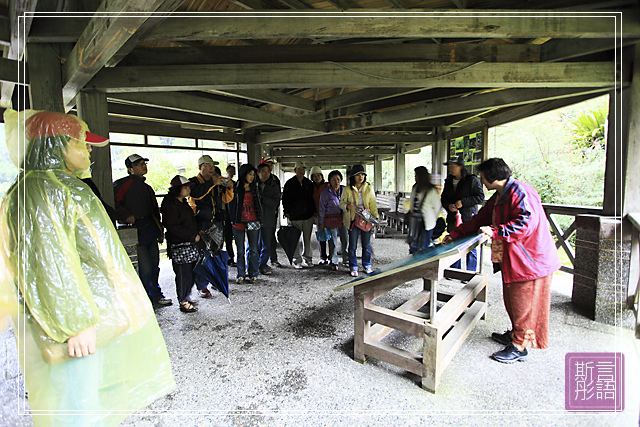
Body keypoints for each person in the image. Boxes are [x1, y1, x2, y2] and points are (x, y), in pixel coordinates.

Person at [0, 109, 174, 425]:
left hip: (86, 316)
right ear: (56, 145)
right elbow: (50, 263)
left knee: (86, 397)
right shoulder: (45, 189)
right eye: (81, 142)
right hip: (73, 325)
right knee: (75, 404)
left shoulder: (55, 185)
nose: (89, 149)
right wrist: (74, 324)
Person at [443, 158, 561, 364]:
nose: (481, 181)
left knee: (524, 302)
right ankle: (516, 333)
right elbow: (480, 220)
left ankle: (519, 346)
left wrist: (497, 231)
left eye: (482, 177)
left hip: (531, 260)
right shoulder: (499, 196)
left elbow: (526, 223)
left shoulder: (521, 192)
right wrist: (456, 234)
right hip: (515, 259)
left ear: (492, 178)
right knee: (512, 300)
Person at [114, 153, 171, 307]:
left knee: (154, 266)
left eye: (144, 163)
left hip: (150, 229)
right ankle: (143, 298)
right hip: (134, 231)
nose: (143, 166)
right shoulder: (121, 185)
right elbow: (113, 204)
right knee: (144, 269)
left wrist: (160, 230)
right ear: (130, 169)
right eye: (139, 164)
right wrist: (126, 216)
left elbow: (154, 211)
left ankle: (156, 295)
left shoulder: (147, 188)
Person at [189, 155, 233, 297]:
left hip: (217, 222)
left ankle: (216, 281)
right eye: (207, 166)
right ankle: (202, 286)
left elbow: (226, 199)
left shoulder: (216, 182)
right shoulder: (193, 183)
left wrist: (229, 187)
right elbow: (195, 195)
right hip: (201, 224)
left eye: (212, 166)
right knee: (203, 255)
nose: (211, 168)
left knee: (217, 252)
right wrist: (212, 183)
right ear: (200, 167)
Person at [161, 175, 202, 313]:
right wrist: (191, 235)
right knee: (183, 273)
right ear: (177, 189)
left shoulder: (183, 202)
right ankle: (183, 301)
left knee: (191, 272)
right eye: (185, 187)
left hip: (189, 243)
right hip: (179, 245)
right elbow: (172, 226)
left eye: (188, 187)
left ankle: (187, 296)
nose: (188, 190)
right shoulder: (169, 204)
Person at [440, 155, 484, 271]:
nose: (451, 169)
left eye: (453, 166)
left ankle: (470, 271)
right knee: (453, 242)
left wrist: (463, 202)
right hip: (453, 217)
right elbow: (444, 198)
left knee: (471, 244)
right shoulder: (449, 181)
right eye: (449, 166)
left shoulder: (471, 180)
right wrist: (448, 205)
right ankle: (455, 269)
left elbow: (480, 197)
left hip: (469, 217)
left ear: (460, 167)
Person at [340, 165, 379, 277]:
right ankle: (354, 267)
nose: (360, 177)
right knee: (352, 245)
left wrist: (375, 218)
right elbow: (341, 203)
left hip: (366, 220)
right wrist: (347, 206)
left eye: (362, 174)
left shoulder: (369, 188)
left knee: (366, 245)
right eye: (358, 175)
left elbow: (373, 204)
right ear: (353, 176)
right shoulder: (347, 189)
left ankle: (367, 265)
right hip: (353, 219)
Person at [229, 164, 262, 282]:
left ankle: (253, 273)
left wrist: (260, 218)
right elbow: (231, 205)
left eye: (253, 175)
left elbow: (258, 204)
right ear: (244, 174)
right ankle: (240, 274)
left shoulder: (255, 188)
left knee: (254, 249)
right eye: (250, 174)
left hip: (253, 220)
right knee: (240, 250)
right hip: (238, 222)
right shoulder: (235, 188)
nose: (252, 177)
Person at [281, 161, 316, 269]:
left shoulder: (309, 183)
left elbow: (312, 199)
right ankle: (297, 260)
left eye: (303, 169)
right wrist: (286, 212)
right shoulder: (289, 183)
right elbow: (285, 199)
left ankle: (308, 259)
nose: (301, 171)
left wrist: (314, 212)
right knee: (295, 239)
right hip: (294, 216)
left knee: (307, 239)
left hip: (308, 216)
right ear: (295, 171)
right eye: (299, 169)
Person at [318, 170, 349, 271]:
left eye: (338, 179)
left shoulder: (345, 189)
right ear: (329, 181)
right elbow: (322, 208)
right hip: (331, 219)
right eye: (333, 180)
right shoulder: (325, 192)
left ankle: (346, 260)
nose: (336, 181)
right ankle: (334, 261)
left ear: (341, 180)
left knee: (345, 239)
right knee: (333, 241)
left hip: (344, 218)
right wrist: (321, 223)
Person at [407, 166, 442, 254]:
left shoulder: (431, 190)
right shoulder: (415, 187)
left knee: (423, 246)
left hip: (427, 222)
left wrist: (432, 219)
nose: (415, 177)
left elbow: (437, 207)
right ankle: (413, 264)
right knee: (413, 245)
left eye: (416, 175)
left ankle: (421, 265)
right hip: (415, 221)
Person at [257, 161, 282, 274]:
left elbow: (275, 202)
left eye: (267, 171)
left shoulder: (274, 185)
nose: (265, 174)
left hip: (268, 219)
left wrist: (262, 198)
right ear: (258, 173)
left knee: (266, 244)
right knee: (254, 245)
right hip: (254, 219)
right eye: (263, 171)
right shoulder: (252, 185)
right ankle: (253, 266)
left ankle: (262, 265)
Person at [310, 166, 330, 265]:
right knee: (321, 235)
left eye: (319, 175)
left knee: (331, 236)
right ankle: (323, 257)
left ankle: (332, 257)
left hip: (329, 214)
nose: (317, 178)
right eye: (314, 176)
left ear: (322, 176)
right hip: (318, 214)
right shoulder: (311, 187)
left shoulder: (327, 185)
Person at [224, 164, 237, 267]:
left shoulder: (235, 185)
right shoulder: (221, 185)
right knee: (225, 238)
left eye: (233, 171)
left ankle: (230, 258)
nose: (231, 173)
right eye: (230, 171)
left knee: (230, 238)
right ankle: (227, 258)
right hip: (223, 216)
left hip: (231, 215)